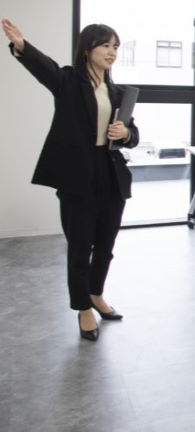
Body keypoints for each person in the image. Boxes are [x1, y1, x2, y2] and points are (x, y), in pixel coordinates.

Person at [2, 18, 139, 342]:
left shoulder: (118, 92)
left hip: (109, 171)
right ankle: (83, 308)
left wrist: (126, 132)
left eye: (116, 46)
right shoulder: (68, 81)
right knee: (80, 247)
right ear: (88, 48)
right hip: (78, 173)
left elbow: (132, 135)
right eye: (106, 45)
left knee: (105, 245)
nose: (112, 51)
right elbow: (44, 68)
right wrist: (22, 45)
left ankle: (95, 293)